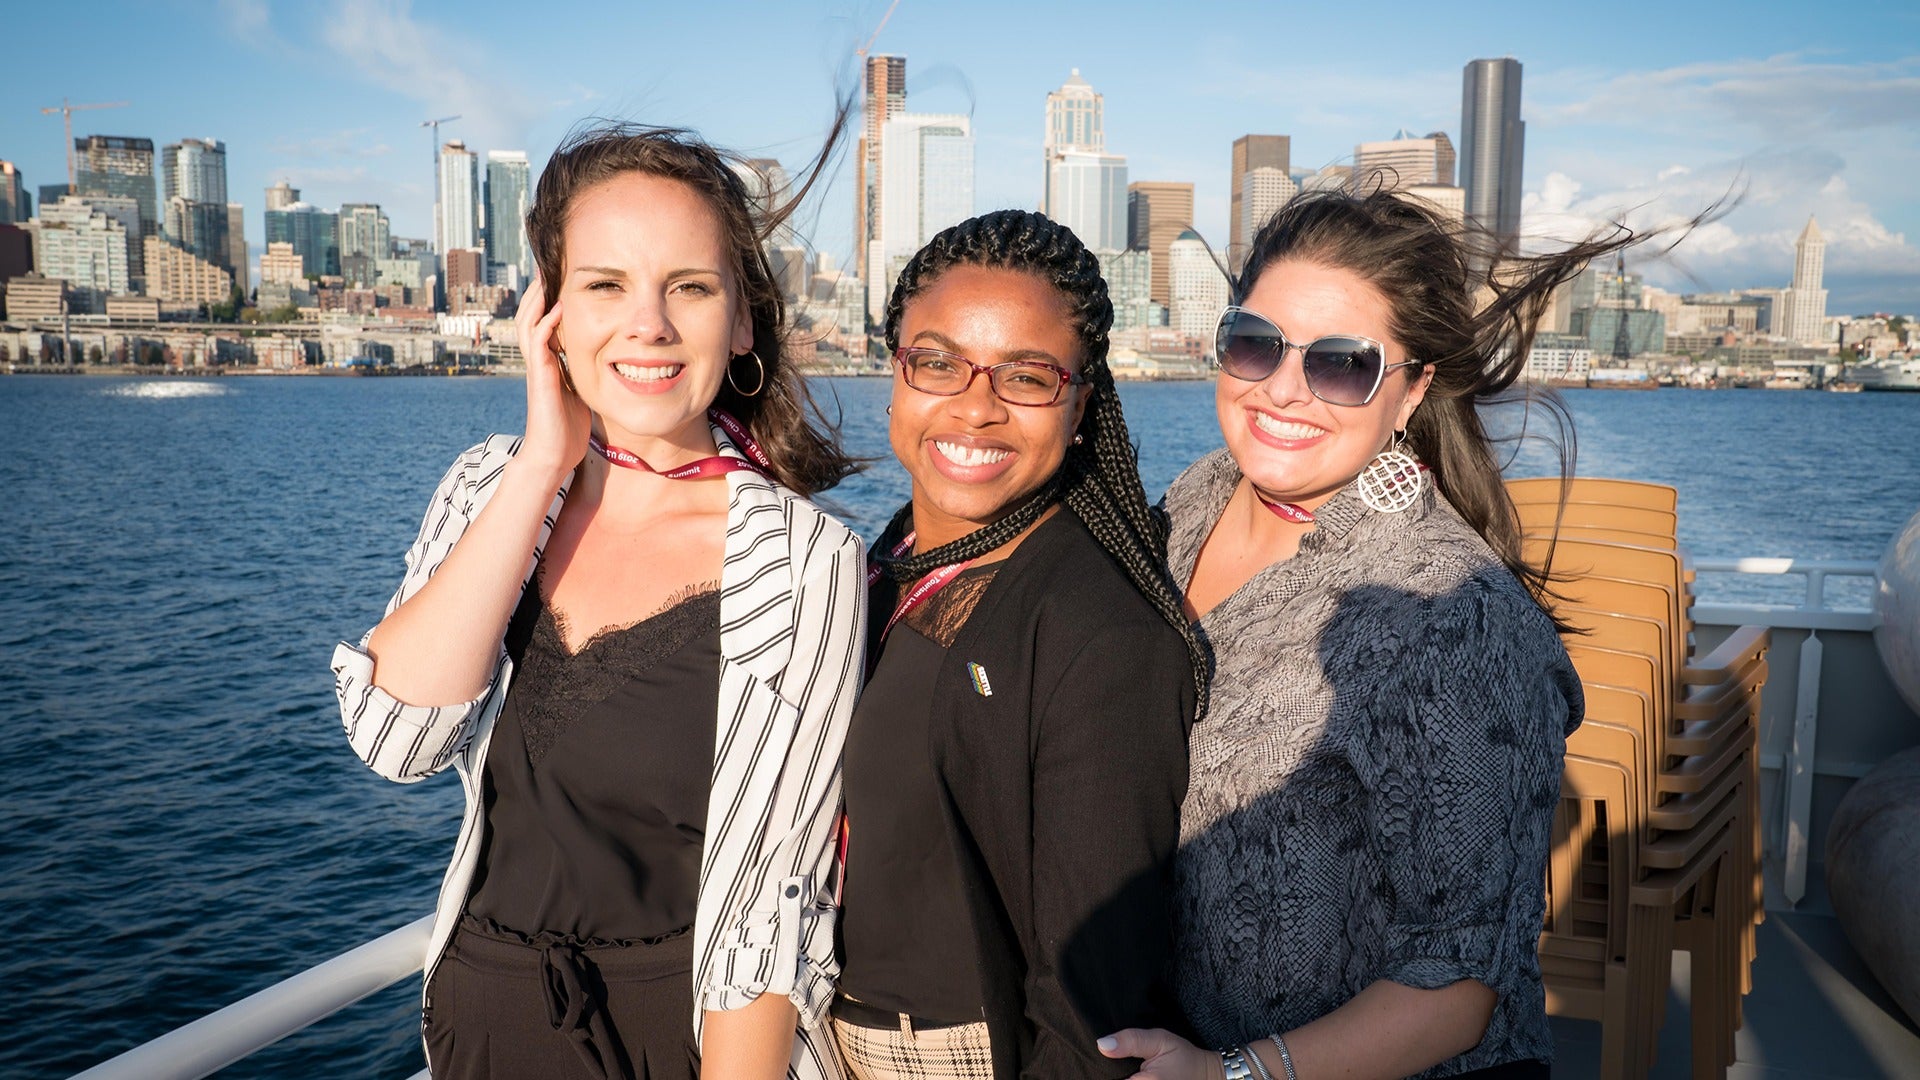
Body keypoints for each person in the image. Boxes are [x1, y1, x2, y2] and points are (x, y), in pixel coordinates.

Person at [331, 123, 863, 1080]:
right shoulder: (492, 485)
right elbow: (396, 741)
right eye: (605, 285)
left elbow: (765, 910)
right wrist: (543, 460)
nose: (648, 325)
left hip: (671, 1036)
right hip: (477, 1024)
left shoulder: (802, 561)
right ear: (551, 312)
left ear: (742, 322)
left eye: (690, 288)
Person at [1100, 190, 1628, 1079]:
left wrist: (1234, 1073)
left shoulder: (1455, 625)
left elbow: (1457, 988)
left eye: (1341, 364)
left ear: (1412, 388)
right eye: (1254, 343)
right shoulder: (1200, 496)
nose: (1282, 389)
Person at [829, 209, 1210, 1080]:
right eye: (938, 362)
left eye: (1028, 377)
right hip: (812, 1035)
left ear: (1080, 405)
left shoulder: (1100, 635)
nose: (975, 405)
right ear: (896, 375)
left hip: (947, 1057)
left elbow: (1092, 1002)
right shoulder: (887, 560)